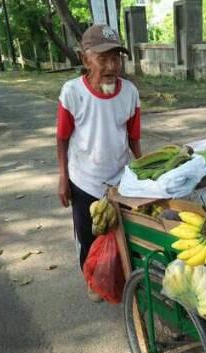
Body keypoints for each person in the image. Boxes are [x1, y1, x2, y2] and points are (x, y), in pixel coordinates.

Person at [56, 24, 142, 302]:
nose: (111, 66)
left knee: (119, 231)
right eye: (102, 58)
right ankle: (91, 279)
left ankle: (116, 275)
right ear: (85, 59)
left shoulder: (129, 93)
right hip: (83, 178)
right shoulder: (72, 93)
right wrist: (62, 177)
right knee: (87, 234)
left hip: (119, 176)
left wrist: (147, 175)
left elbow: (134, 138)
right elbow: (62, 138)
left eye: (116, 58)